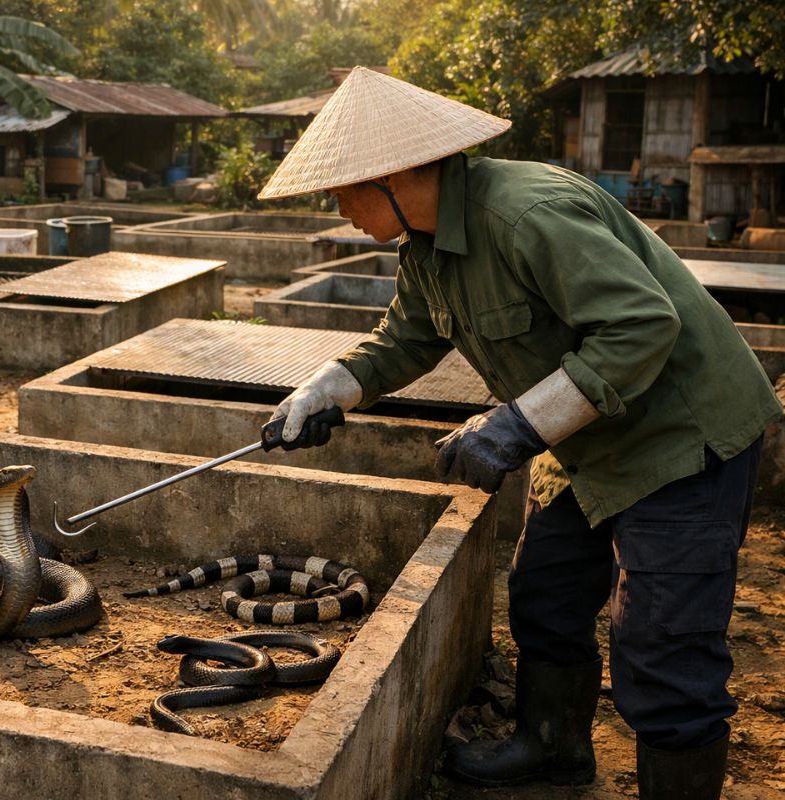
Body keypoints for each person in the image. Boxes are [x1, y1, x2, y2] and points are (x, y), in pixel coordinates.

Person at [259, 67, 782, 798]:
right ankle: (554, 747)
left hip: (678, 435)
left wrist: (514, 424)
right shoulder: (428, 245)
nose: (339, 208)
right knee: (546, 596)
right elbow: (405, 338)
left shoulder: (527, 215)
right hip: (583, 441)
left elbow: (640, 328)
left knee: (662, 643)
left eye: (345, 190)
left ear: (399, 174)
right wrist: (327, 389)